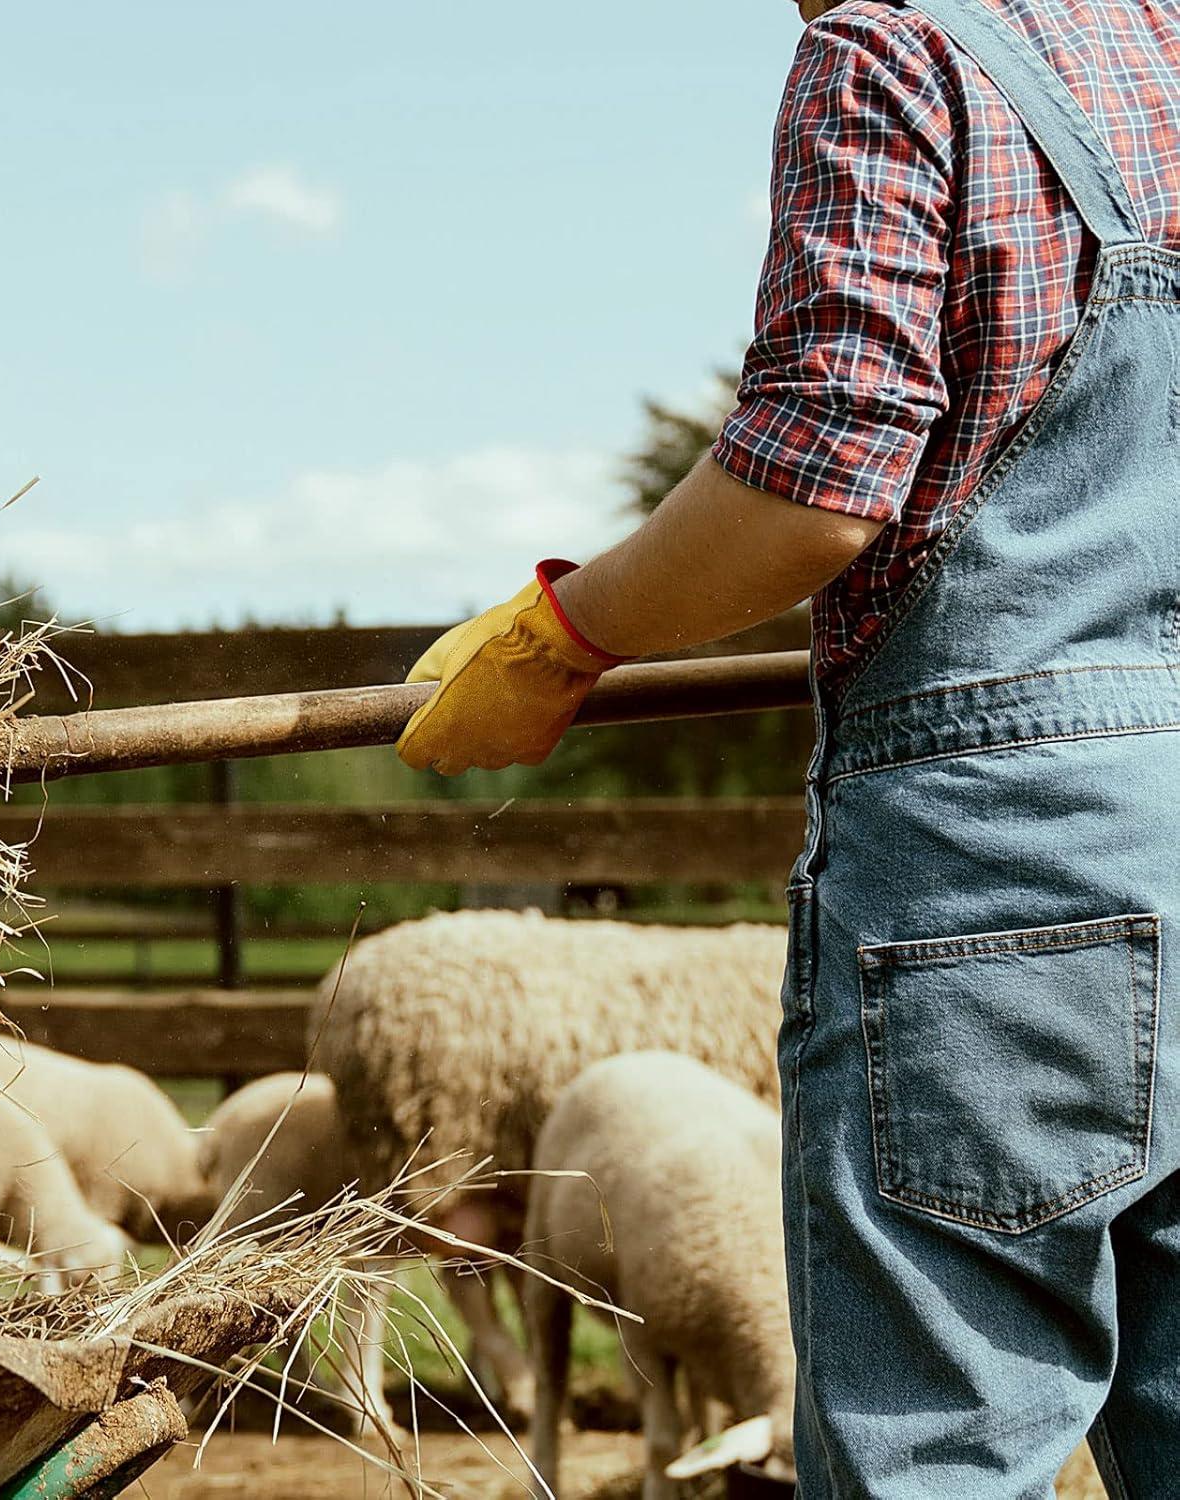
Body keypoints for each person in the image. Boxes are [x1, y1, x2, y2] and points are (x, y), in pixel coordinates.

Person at [394, 0, 1180, 1494]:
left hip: (1007, 895)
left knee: (940, 1447)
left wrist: (567, 633)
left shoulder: (899, 57)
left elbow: (819, 478)